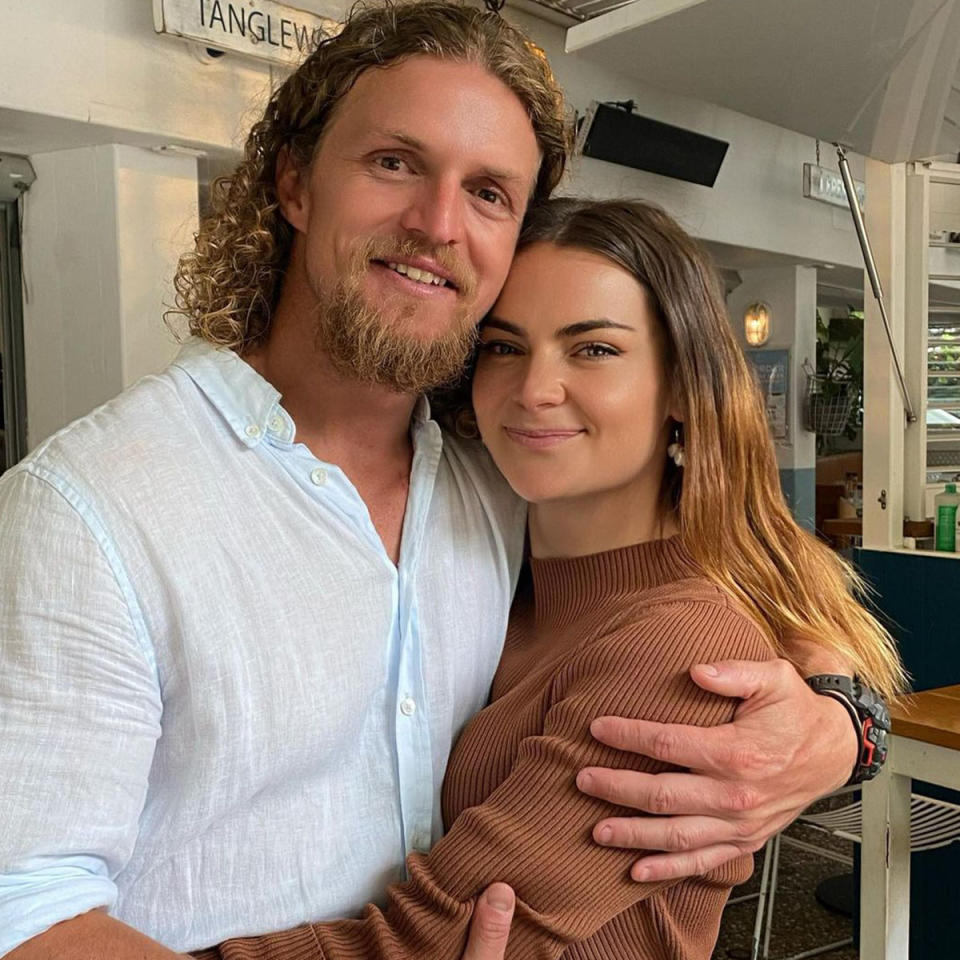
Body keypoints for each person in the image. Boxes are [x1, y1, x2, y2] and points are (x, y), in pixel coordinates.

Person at [0, 3, 889, 957]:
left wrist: (844, 725)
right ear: (293, 181)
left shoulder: (495, 478)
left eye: (491, 193)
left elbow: (737, 583)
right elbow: (23, 908)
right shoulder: (92, 505)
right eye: (394, 163)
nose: (436, 225)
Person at [194, 199, 902, 960]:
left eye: (593, 349)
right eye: (504, 347)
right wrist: (850, 722)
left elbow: (430, 941)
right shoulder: (491, 565)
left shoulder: (680, 641)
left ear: (680, 389)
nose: (534, 389)